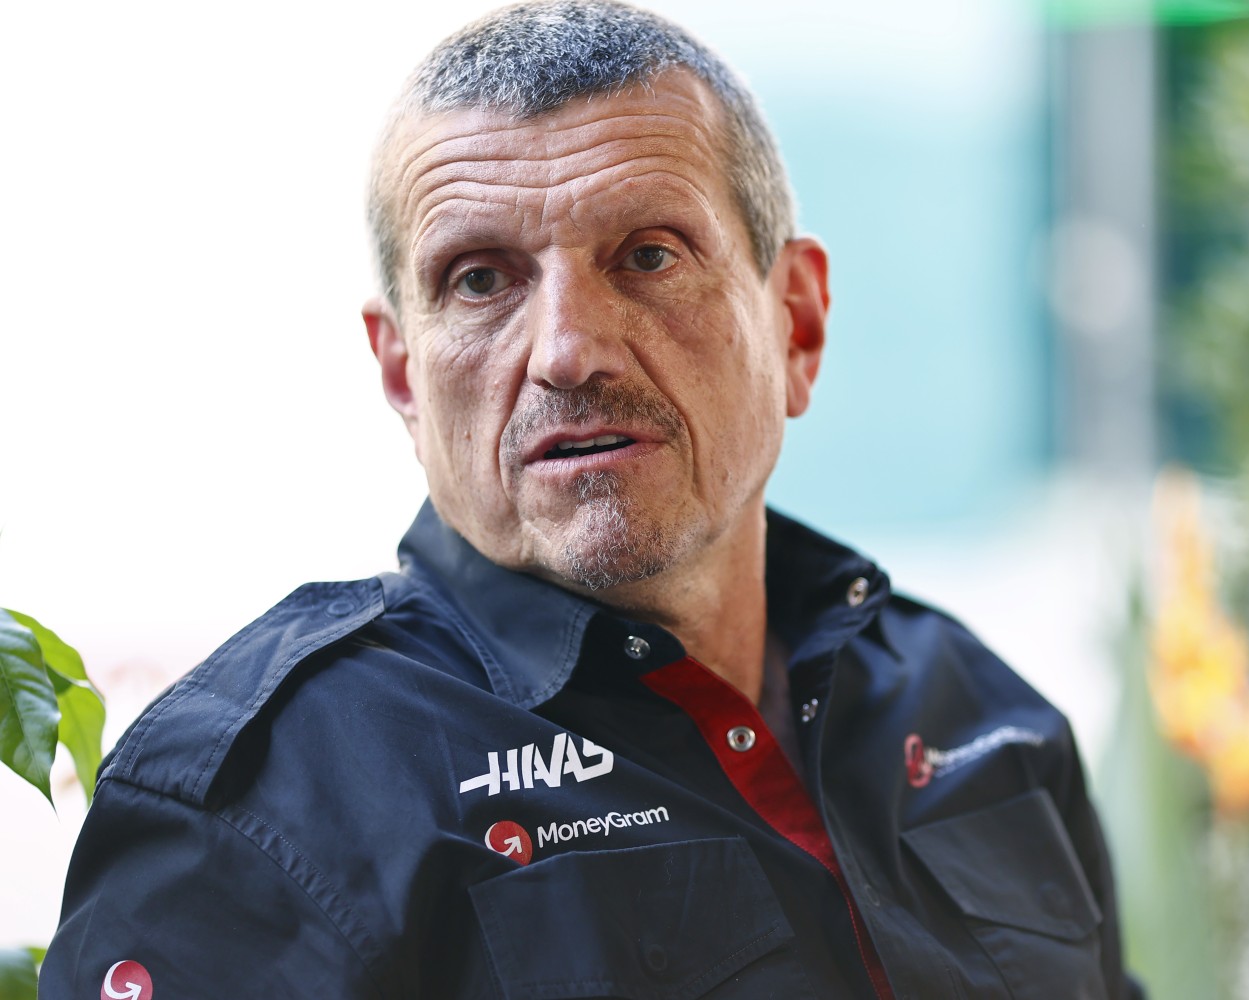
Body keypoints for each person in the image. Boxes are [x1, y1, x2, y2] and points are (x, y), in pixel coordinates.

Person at [42, 2, 1142, 997]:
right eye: (479, 279)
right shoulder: (258, 811)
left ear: (797, 323)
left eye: (649, 256)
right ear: (402, 375)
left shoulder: (968, 709)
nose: (568, 350)